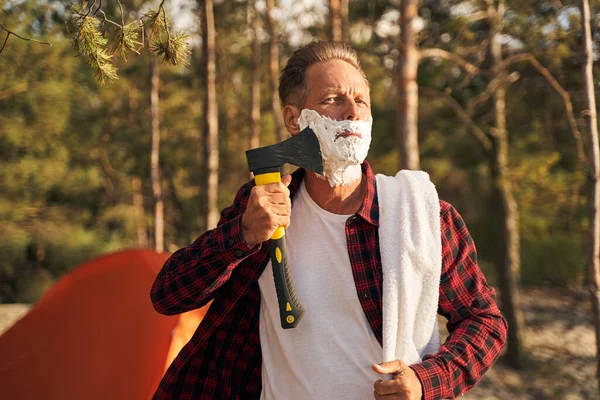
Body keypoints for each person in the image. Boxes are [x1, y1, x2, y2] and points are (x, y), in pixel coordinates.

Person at [151, 40, 507, 400]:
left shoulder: (421, 214)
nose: (352, 111)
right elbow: (168, 295)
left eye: (361, 100)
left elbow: (485, 323)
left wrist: (425, 380)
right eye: (333, 99)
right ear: (294, 119)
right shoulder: (263, 207)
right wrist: (242, 234)